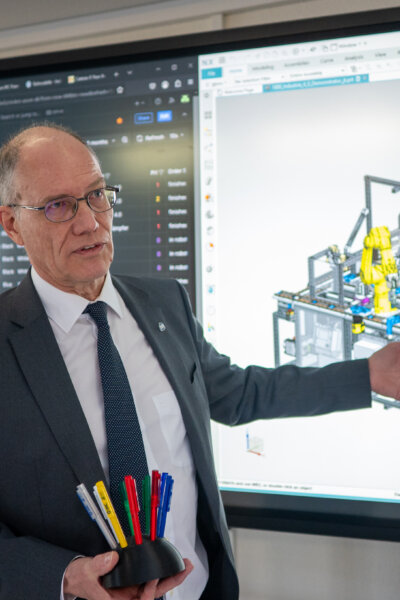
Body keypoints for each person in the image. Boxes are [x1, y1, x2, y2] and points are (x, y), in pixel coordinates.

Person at [0, 123, 398, 600]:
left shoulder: (164, 302)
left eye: (97, 195)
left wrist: (368, 375)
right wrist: (63, 577)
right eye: (58, 206)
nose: (89, 222)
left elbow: (237, 394)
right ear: (12, 224)